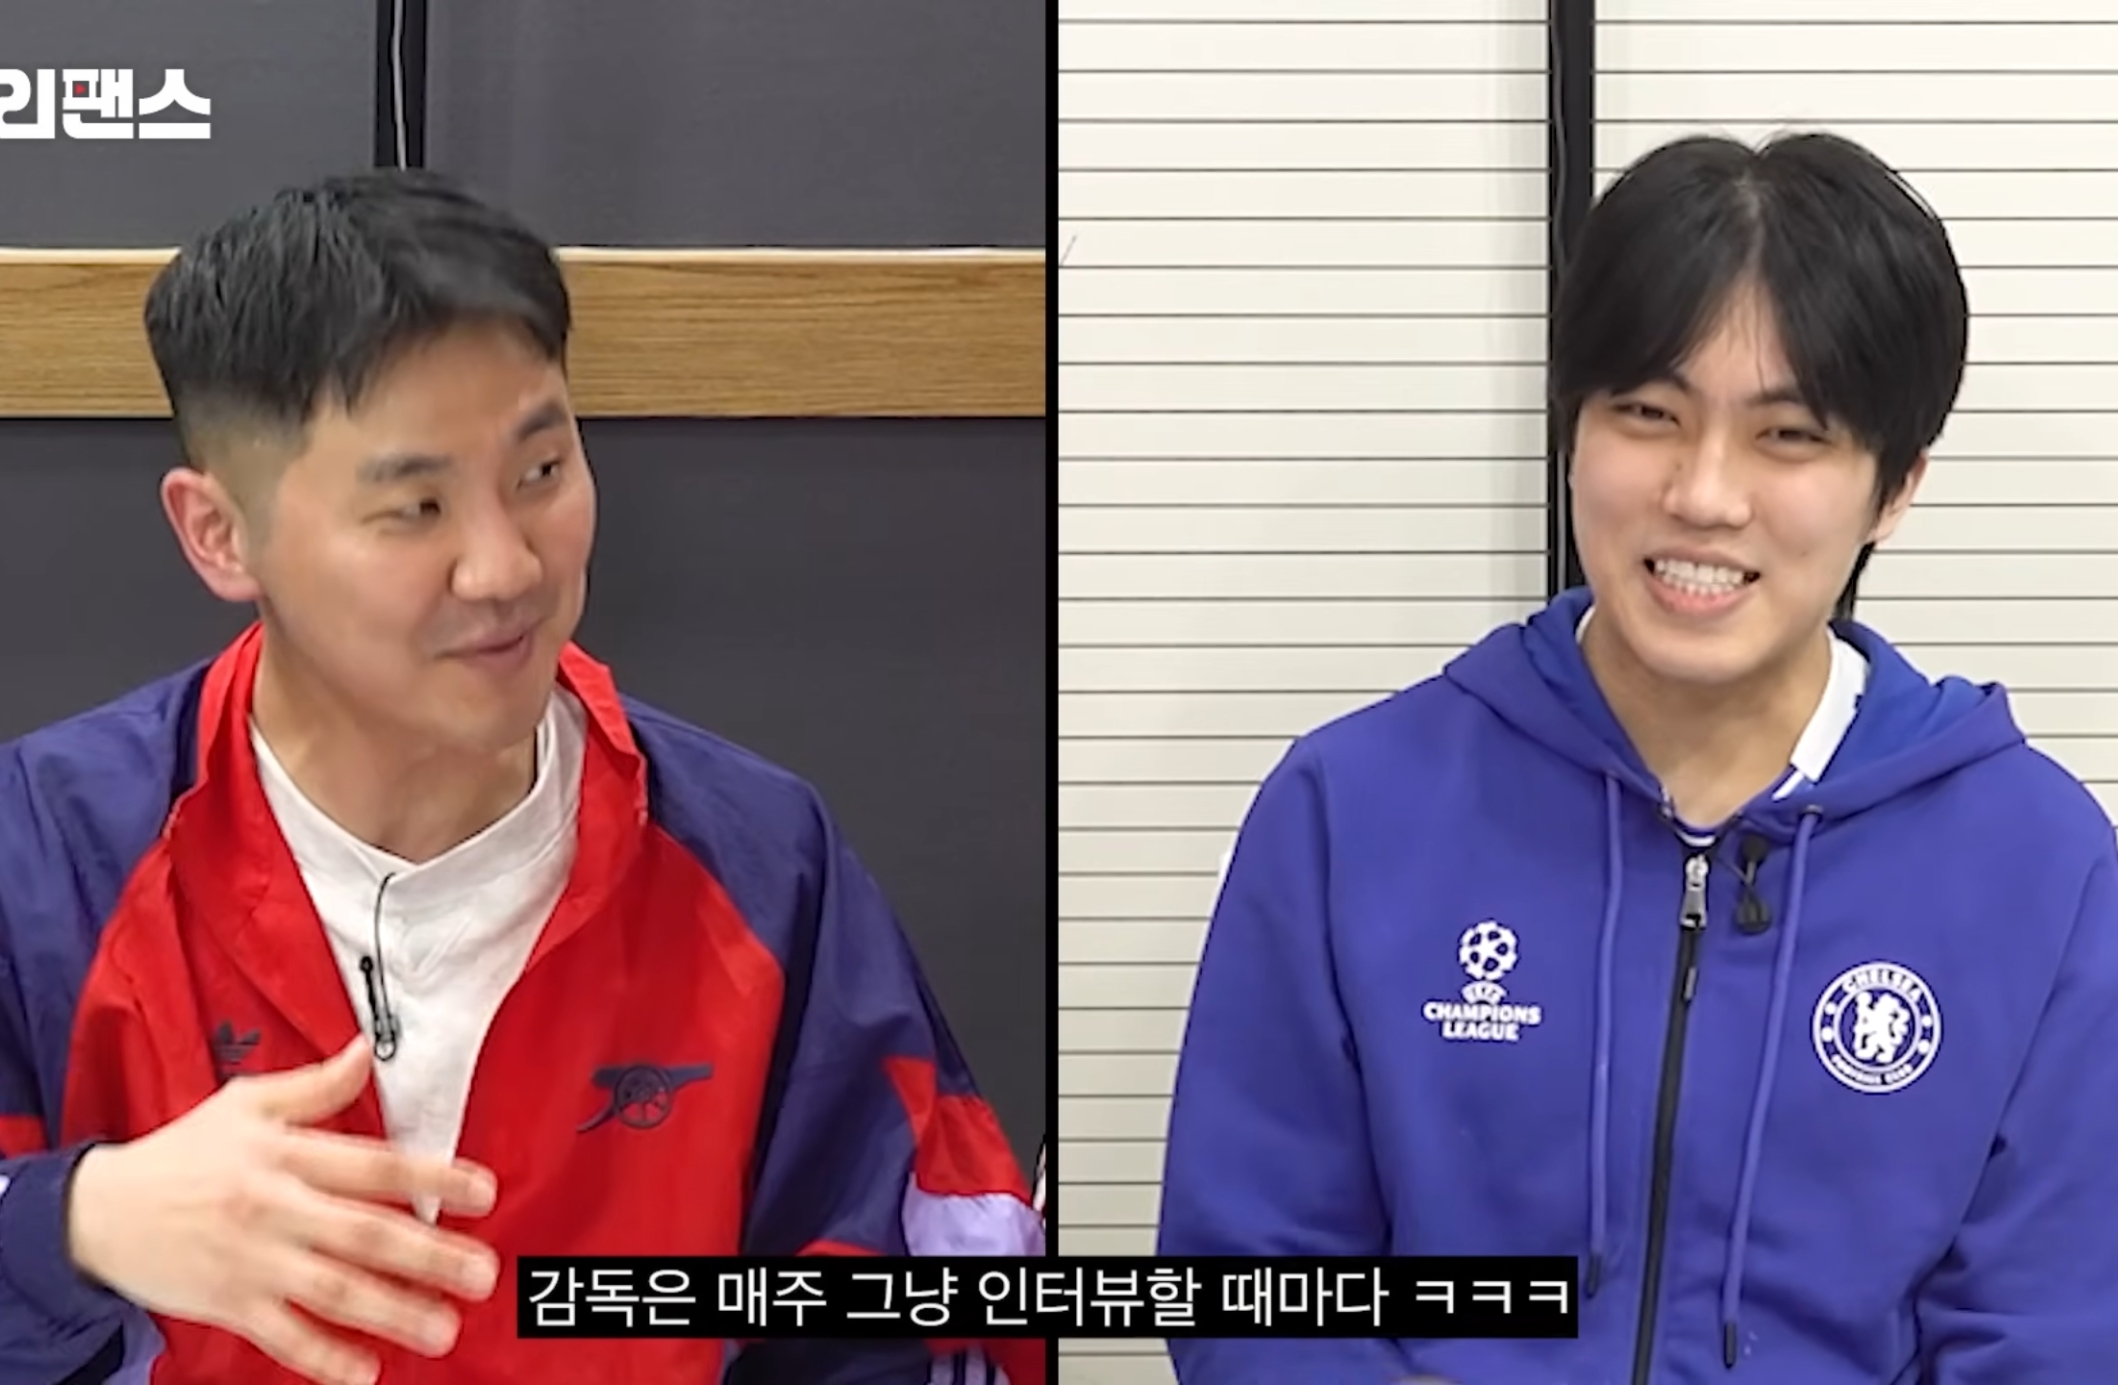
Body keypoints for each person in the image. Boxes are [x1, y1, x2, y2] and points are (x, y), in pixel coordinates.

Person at [0, 170, 1045, 1385]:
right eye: (417, 506)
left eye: (541, 472)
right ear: (220, 534)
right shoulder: (46, 857)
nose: (504, 569)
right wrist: (74, 1221)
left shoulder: (764, 866)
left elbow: (926, 1308)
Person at [1157, 131, 2118, 1382]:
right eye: (1650, 414)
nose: (1704, 494)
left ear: (1895, 485)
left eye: (1788, 435)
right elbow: (1257, 1287)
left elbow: (2052, 1330)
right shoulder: (1350, 809)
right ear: (1573, 428)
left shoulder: (2041, 865)